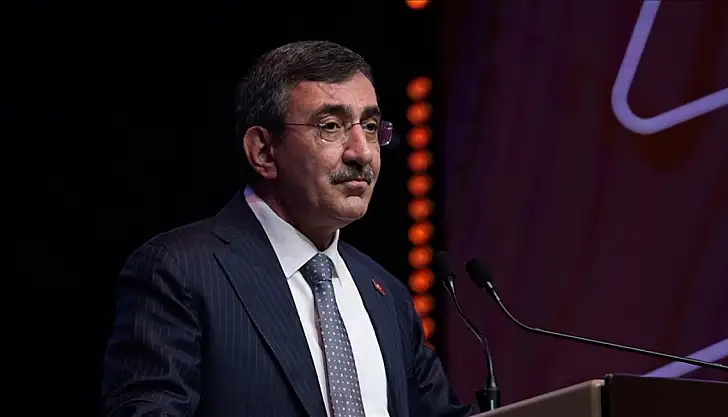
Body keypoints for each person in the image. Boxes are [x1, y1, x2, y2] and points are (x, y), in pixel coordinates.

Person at [101, 40, 477, 417]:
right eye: (331, 126)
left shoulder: (386, 294)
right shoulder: (180, 271)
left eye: (370, 126)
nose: (362, 151)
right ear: (264, 151)